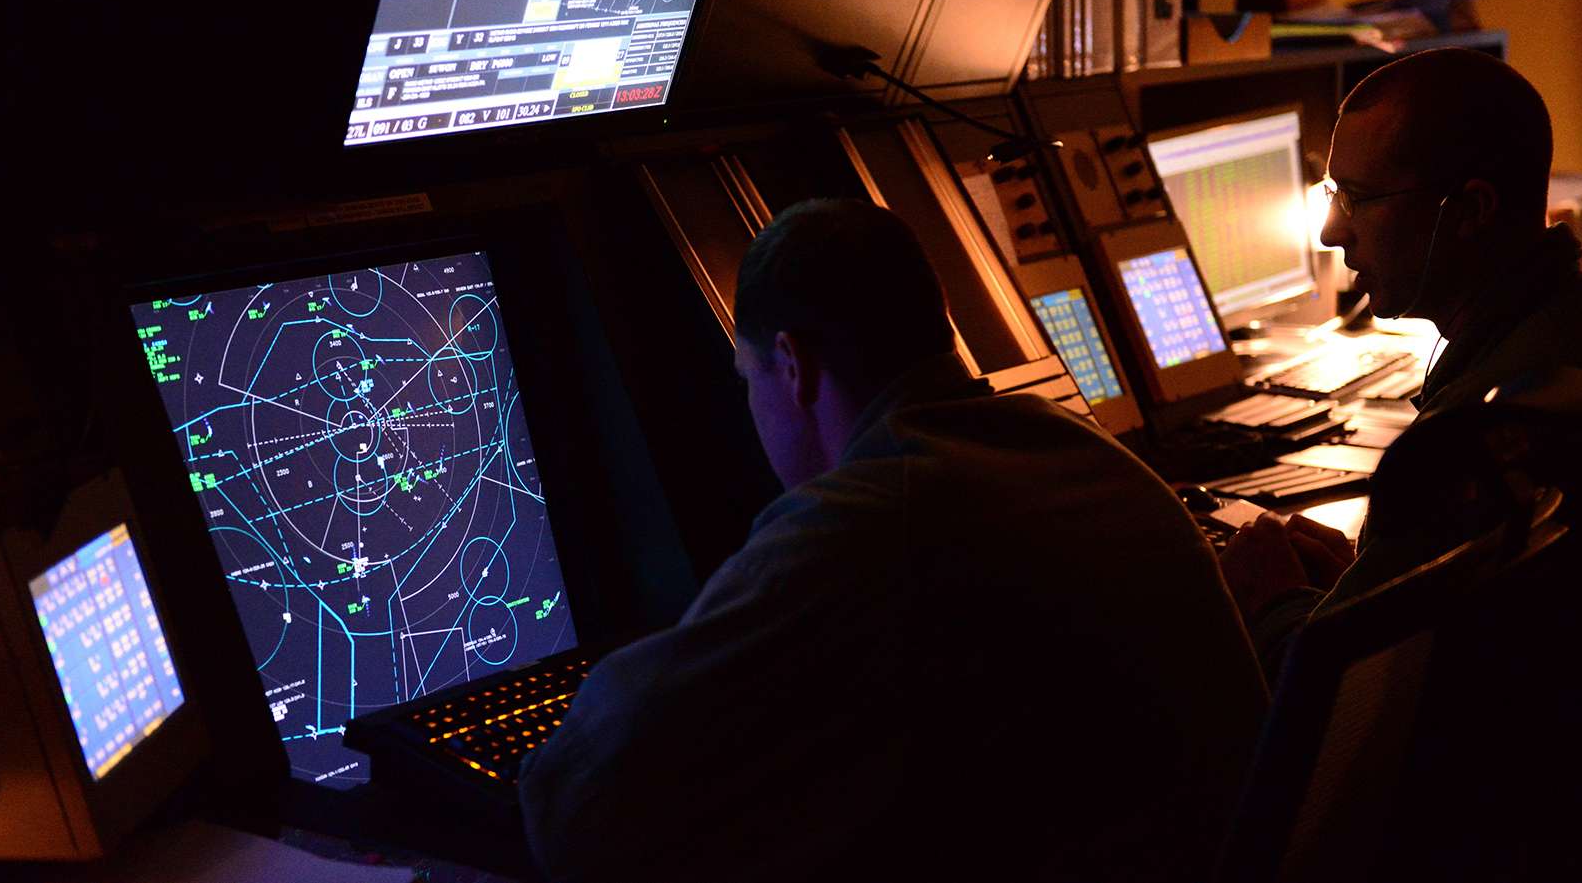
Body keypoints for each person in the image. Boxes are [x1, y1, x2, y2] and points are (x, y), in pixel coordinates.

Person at [519, 199, 1268, 882]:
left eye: (747, 376)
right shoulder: (1088, 450)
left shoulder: (868, 519)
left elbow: (583, 797)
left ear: (793, 365)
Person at [1220, 47, 1582, 878]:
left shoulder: (1473, 443)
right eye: (1332, 193)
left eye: (1361, 199)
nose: (1331, 231)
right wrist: (1369, 584)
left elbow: (1346, 735)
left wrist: (1275, 606)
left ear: (1472, 209)